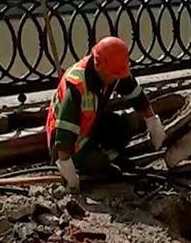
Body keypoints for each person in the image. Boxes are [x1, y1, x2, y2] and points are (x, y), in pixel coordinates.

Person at [45, 36, 167, 190]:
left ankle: (112, 156)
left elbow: (135, 94)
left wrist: (152, 121)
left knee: (125, 124)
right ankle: (102, 160)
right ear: (98, 66)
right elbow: (64, 133)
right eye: (113, 75)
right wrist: (66, 167)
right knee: (97, 161)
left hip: (90, 124)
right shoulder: (77, 86)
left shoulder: (113, 71)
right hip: (71, 142)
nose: (116, 78)